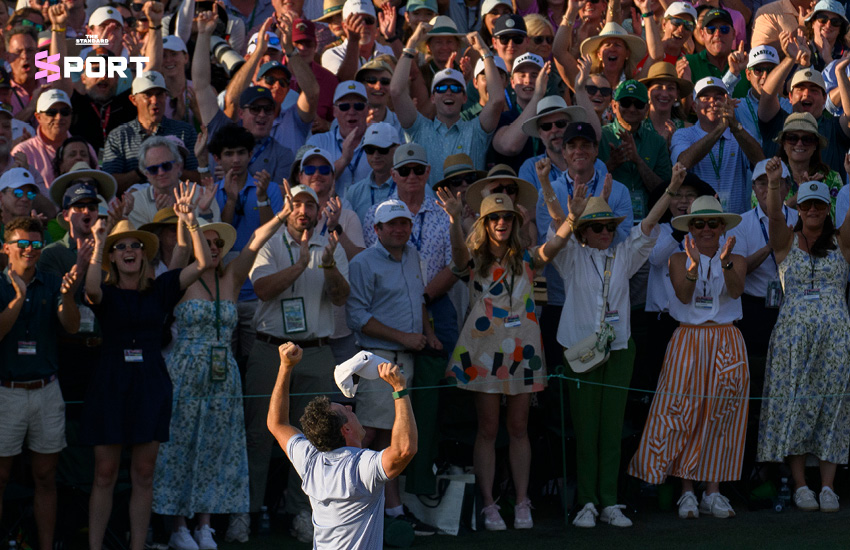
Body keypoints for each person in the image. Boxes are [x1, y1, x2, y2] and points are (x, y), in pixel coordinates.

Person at [553, 162, 687, 528]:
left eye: (610, 226)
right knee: (586, 430)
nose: (605, 232)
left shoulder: (624, 254)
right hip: (578, 348)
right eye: (597, 227)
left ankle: (609, 502)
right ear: (583, 231)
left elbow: (647, 227)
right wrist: (570, 216)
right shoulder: (571, 256)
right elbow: (553, 243)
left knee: (612, 428)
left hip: (619, 348)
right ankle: (586, 503)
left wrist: (672, 187)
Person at [435, 175, 571, 530]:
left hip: (523, 353)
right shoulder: (475, 259)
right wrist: (453, 220)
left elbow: (553, 246)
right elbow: (458, 255)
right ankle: (489, 503)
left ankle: (523, 501)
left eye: (507, 218)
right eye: (494, 218)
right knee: (488, 428)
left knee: (519, 427)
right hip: (482, 355)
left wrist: (573, 219)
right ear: (483, 222)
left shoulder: (526, 257)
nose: (500, 223)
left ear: (514, 221)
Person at [81, 184, 211, 550]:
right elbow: (91, 289)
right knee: (104, 473)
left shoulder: (161, 288)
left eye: (135, 245)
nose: (128, 250)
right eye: (120, 247)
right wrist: (100, 241)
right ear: (112, 257)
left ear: (144, 254)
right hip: (110, 386)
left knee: (144, 473)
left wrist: (191, 219)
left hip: (150, 385)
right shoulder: (105, 291)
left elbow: (201, 263)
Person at [153, 210, 286, 549]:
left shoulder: (231, 278)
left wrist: (282, 215)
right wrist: (191, 219)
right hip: (185, 371)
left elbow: (256, 241)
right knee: (182, 446)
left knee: (217, 447)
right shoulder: (182, 277)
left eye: (218, 244)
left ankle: (205, 524)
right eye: (207, 242)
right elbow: (183, 250)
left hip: (223, 375)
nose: (213, 248)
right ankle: (178, 525)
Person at [628, 194, 749, 521]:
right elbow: (682, 293)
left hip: (726, 337)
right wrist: (696, 264)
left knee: (722, 413)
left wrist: (723, 261)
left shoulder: (735, 257)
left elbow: (736, 290)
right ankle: (686, 491)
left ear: (722, 226)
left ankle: (713, 491)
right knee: (684, 413)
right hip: (688, 338)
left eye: (712, 223)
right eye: (699, 223)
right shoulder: (678, 259)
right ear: (690, 228)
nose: (706, 228)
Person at [245, 183, 349, 543]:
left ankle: (302, 513)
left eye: (311, 204)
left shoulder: (329, 243)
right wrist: (301, 264)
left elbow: (340, 298)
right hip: (270, 351)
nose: (304, 210)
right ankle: (249, 510)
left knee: (314, 438)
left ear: (320, 210)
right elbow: (262, 289)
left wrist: (329, 262)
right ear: (286, 208)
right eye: (297, 203)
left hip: (317, 352)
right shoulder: (270, 242)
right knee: (259, 434)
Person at [758, 159, 850, 514]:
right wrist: (773, 181)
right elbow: (775, 217)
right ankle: (800, 486)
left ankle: (828, 486)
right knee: (794, 406)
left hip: (836, 340)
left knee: (834, 406)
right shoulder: (785, 241)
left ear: (828, 209)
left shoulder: (842, 242)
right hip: (792, 341)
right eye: (807, 204)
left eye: (819, 205)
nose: (812, 210)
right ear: (799, 208)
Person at [346, 198, 440, 535]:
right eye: (392, 224)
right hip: (377, 359)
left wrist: (426, 333)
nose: (400, 229)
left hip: (405, 360)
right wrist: (404, 337)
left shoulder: (414, 256)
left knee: (390, 437)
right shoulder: (363, 263)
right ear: (377, 230)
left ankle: (390, 510)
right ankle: (353, 503)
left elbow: (419, 301)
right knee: (368, 434)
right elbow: (357, 317)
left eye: (405, 223)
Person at [266, 342, 417, 549]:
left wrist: (285, 366)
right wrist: (399, 389)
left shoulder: (310, 461)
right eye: (345, 410)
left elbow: (277, 423)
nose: (349, 406)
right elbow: (404, 450)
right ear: (345, 430)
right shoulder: (362, 467)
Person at [0, 216, 82, 550]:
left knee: (46, 477)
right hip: (7, 392)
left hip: (47, 390)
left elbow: (72, 327)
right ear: (6, 248)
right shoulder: (0, 286)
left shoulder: (52, 281)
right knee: (1, 478)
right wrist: (17, 301)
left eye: (36, 244)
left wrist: (70, 296)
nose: (30, 250)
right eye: (23, 244)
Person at [392, 24, 505, 186]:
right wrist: (411, 43)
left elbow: (497, 100)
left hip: (469, 209)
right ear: (433, 98)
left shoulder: (476, 131)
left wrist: (484, 52)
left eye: (456, 88)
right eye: (442, 88)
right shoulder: (419, 129)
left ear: (465, 98)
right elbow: (396, 91)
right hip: (430, 210)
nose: (449, 92)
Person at [671, 77, 763, 214]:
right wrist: (720, 129)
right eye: (705, 98)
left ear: (727, 103)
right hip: (699, 222)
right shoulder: (683, 135)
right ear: (694, 106)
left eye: (718, 98)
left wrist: (735, 128)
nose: (712, 103)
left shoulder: (739, 132)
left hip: (736, 222)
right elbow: (683, 163)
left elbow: (760, 162)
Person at [102, 71, 199, 194]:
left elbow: (198, 178)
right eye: (147, 95)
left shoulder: (185, 131)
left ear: (166, 96)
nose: (155, 100)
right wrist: (145, 170)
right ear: (133, 99)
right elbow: (110, 185)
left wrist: (168, 168)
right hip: (135, 210)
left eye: (159, 94)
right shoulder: (119, 136)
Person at [598, 80, 671, 220]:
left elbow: (665, 192)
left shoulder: (657, 142)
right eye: (625, 103)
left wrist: (638, 161)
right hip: (607, 222)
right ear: (614, 106)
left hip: (647, 224)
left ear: (646, 109)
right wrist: (611, 164)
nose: (632, 109)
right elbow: (587, 183)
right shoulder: (600, 137)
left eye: (638, 104)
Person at [11, 89, 96, 193]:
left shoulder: (84, 148)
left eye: (65, 112)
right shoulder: (24, 151)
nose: (59, 117)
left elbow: (97, 182)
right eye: (52, 112)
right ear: (38, 117)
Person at [128, 136, 220, 228]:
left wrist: (204, 212)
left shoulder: (201, 195)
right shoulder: (136, 202)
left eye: (166, 166)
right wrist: (163, 216)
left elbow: (216, 237)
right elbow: (146, 241)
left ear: (179, 166)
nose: (161, 173)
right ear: (146, 173)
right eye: (153, 169)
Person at [777, 112, 842, 217]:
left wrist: (816, 193)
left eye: (807, 139)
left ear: (815, 145)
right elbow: (766, 221)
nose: (799, 143)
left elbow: (835, 220)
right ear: (784, 143)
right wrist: (798, 196)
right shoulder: (770, 178)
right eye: (792, 138)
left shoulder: (832, 178)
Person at [684, 8, 750, 98]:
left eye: (724, 29)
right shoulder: (688, 64)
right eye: (711, 29)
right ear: (702, 34)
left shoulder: (748, 62)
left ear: (734, 34)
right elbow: (684, 109)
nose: (717, 34)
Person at [345, 122, 401, 221]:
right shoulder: (354, 192)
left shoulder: (411, 187)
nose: (376, 155)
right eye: (370, 150)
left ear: (396, 149)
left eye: (382, 149)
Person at [638, 61, 693, 146]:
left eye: (670, 88)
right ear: (648, 92)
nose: (664, 94)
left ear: (676, 94)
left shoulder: (688, 130)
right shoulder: (637, 129)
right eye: (658, 87)